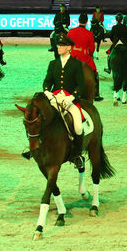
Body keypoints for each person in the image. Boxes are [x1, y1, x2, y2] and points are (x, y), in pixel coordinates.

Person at [42, 33, 86, 167]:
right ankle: (37, 147)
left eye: (62, 45)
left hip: (69, 100)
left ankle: (78, 155)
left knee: (78, 125)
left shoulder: (76, 64)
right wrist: (47, 92)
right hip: (55, 98)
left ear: (69, 48)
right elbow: (47, 81)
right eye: (58, 45)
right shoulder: (53, 64)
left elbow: (81, 85)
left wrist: (72, 97)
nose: (59, 47)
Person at [67, 13, 104, 101]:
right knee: (95, 73)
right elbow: (91, 49)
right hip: (85, 57)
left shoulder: (71, 31)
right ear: (87, 22)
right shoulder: (89, 34)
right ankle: (96, 94)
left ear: (78, 21)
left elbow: (66, 45)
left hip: (72, 57)